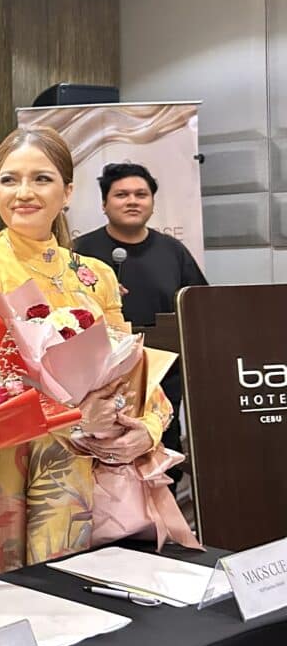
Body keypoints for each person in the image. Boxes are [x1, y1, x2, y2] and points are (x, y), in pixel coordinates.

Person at [0, 126, 174, 586]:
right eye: (9, 180)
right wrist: (62, 413)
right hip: (3, 462)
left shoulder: (95, 275)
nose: (24, 193)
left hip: (85, 464)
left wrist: (144, 428)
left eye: (41, 179)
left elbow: (133, 373)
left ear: (67, 191)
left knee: (76, 603)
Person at [73, 162, 207, 486]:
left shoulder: (173, 251)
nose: (132, 200)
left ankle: (163, 530)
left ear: (151, 202)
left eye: (140, 194)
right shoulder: (80, 252)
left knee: (162, 469)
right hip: (98, 385)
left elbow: (200, 305)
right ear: (104, 204)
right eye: (121, 195)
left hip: (162, 381)